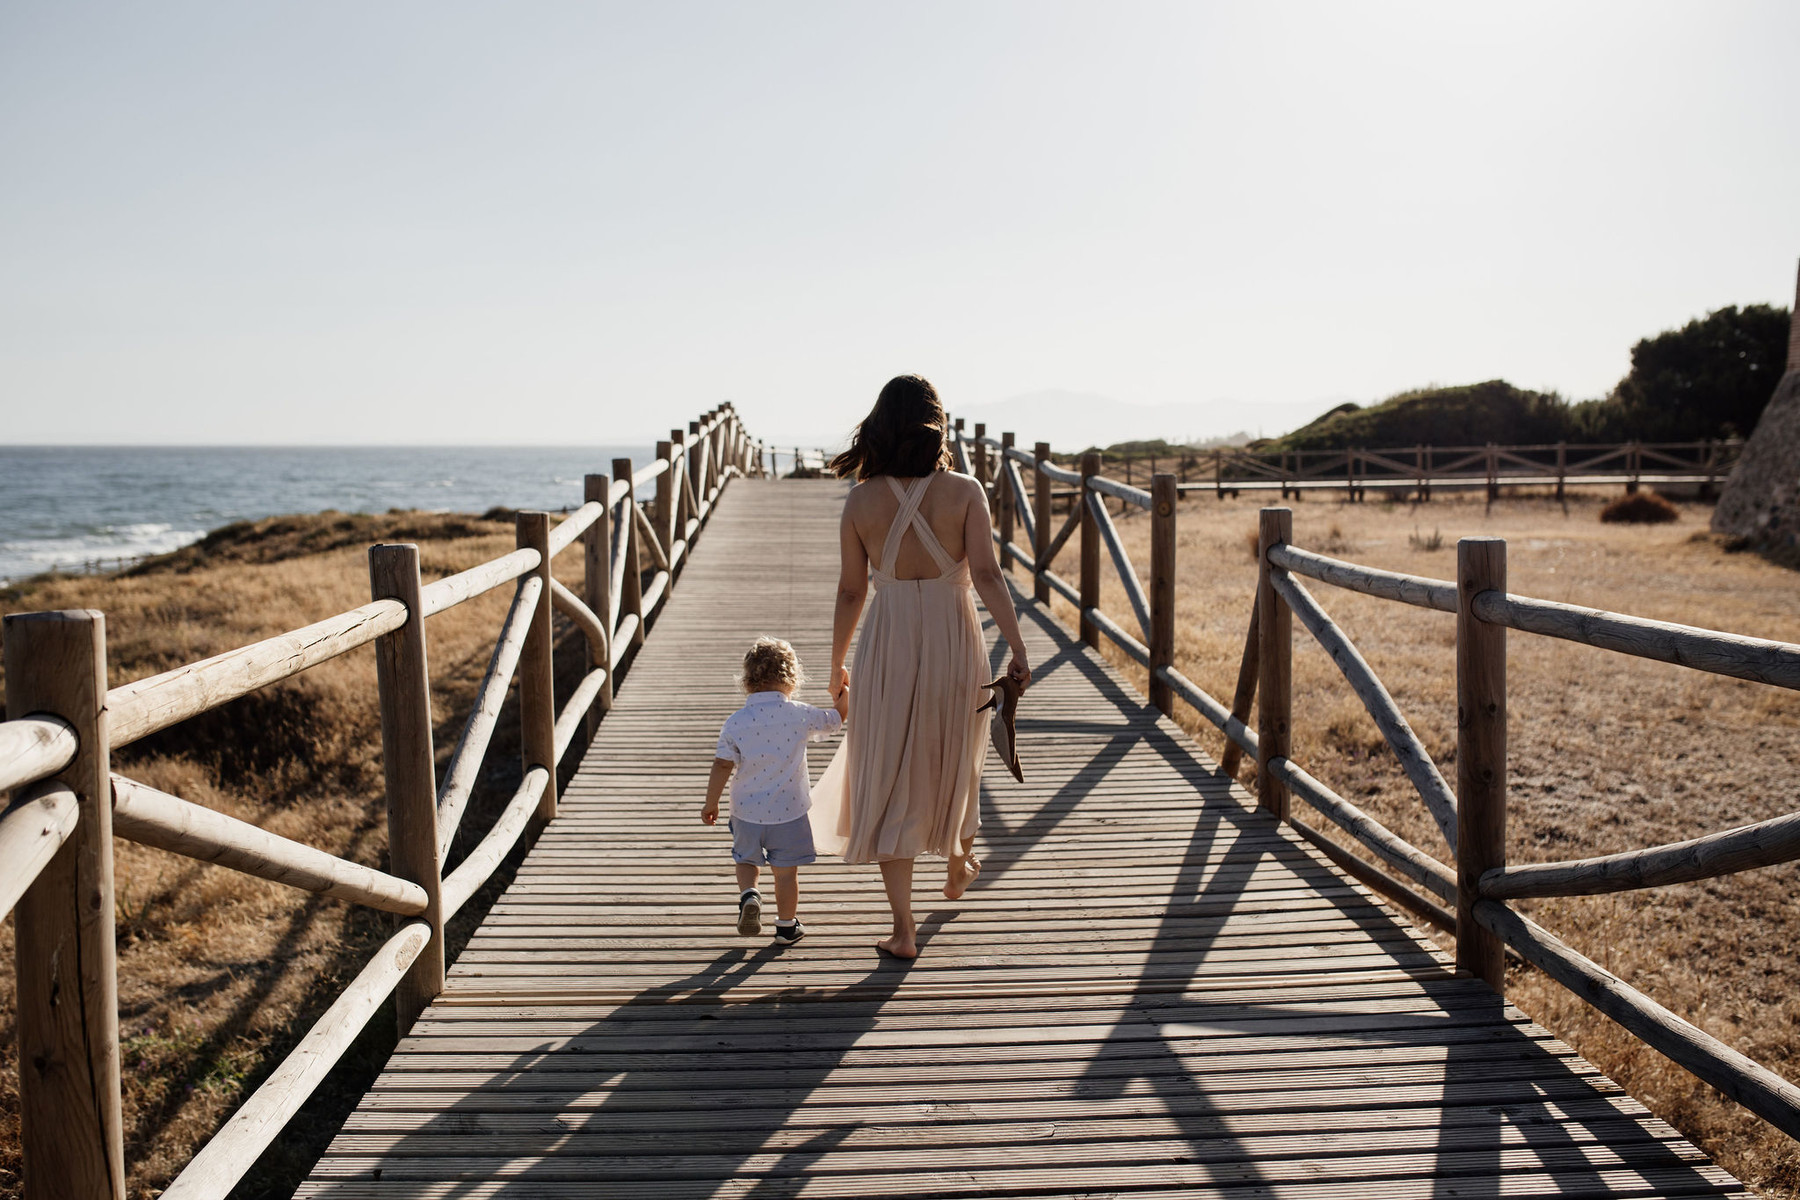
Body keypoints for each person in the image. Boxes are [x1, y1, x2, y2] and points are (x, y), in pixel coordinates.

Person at [809, 375, 1031, 959]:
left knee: (886, 767)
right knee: (954, 750)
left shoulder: (860, 501)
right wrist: (1019, 645)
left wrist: (836, 665)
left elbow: (851, 591)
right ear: (938, 423)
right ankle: (958, 859)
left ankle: (903, 927)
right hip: (954, 636)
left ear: (879, 426)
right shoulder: (965, 491)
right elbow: (986, 575)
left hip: (887, 642)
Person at [701, 636, 848, 946]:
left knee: (746, 860)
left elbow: (722, 765)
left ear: (747, 680)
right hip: (789, 813)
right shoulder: (799, 713)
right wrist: (844, 694)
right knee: (785, 874)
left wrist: (710, 802)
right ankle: (785, 926)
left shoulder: (735, 722)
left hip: (746, 813)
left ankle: (749, 894)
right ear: (791, 678)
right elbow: (835, 721)